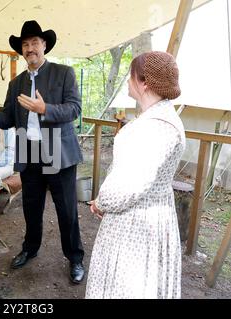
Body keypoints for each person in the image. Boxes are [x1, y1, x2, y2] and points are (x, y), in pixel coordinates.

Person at [0, 20, 85, 284]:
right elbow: (7, 119)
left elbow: (74, 109)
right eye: (25, 44)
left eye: (35, 43)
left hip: (56, 147)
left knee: (66, 210)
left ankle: (74, 257)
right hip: (28, 150)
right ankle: (30, 248)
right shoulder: (16, 83)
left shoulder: (64, 73)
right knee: (31, 207)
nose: (30, 48)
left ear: (44, 46)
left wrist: (45, 109)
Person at [85, 51, 186, 299]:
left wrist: (101, 201)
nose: (128, 80)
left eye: (131, 75)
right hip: (152, 215)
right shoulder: (160, 118)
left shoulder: (156, 127)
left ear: (144, 82)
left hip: (137, 225)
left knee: (128, 287)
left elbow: (127, 187)